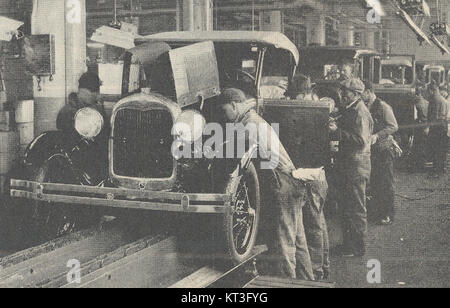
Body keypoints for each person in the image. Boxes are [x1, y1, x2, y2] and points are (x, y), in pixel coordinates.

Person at [219, 88, 315, 280]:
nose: (225, 115)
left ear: (234, 105)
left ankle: (289, 284)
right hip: (294, 181)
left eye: (225, 110)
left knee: (284, 243)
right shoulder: (253, 119)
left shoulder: (249, 125)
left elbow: (240, 160)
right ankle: (308, 281)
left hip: (283, 183)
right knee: (298, 239)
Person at [329, 78, 373, 257]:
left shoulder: (359, 112)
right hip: (349, 165)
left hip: (356, 166)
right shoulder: (352, 109)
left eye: (345, 91)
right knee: (348, 206)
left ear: (356, 94)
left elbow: (360, 140)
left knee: (355, 207)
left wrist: (336, 132)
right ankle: (349, 245)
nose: (342, 94)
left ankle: (358, 248)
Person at [362, 82, 399, 225]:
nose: (360, 95)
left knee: (386, 183)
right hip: (373, 150)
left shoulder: (383, 106)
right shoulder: (366, 106)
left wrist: (377, 135)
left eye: (362, 92)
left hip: (384, 150)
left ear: (369, 91)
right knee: (376, 182)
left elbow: (393, 126)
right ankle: (378, 212)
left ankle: (387, 214)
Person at [427, 82, 449, 177]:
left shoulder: (434, 100)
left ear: (432, 90)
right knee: (441, 149)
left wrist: (428, 127)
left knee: (435, 148)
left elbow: (433, 116)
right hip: (443, 126)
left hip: (436, 127)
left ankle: (435, 170)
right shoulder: (444, 100)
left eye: (429, 91)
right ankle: (441, 168)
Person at [411, 85, 430, 172]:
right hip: (426, 127)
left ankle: (418, 167)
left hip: (419, 128)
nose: (414, 97)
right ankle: (423, 165)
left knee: (418, 147)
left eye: (415, 95)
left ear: (418, 95)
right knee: (423, 147)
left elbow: (415, 118)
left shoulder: (416, 105)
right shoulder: (427, 102)